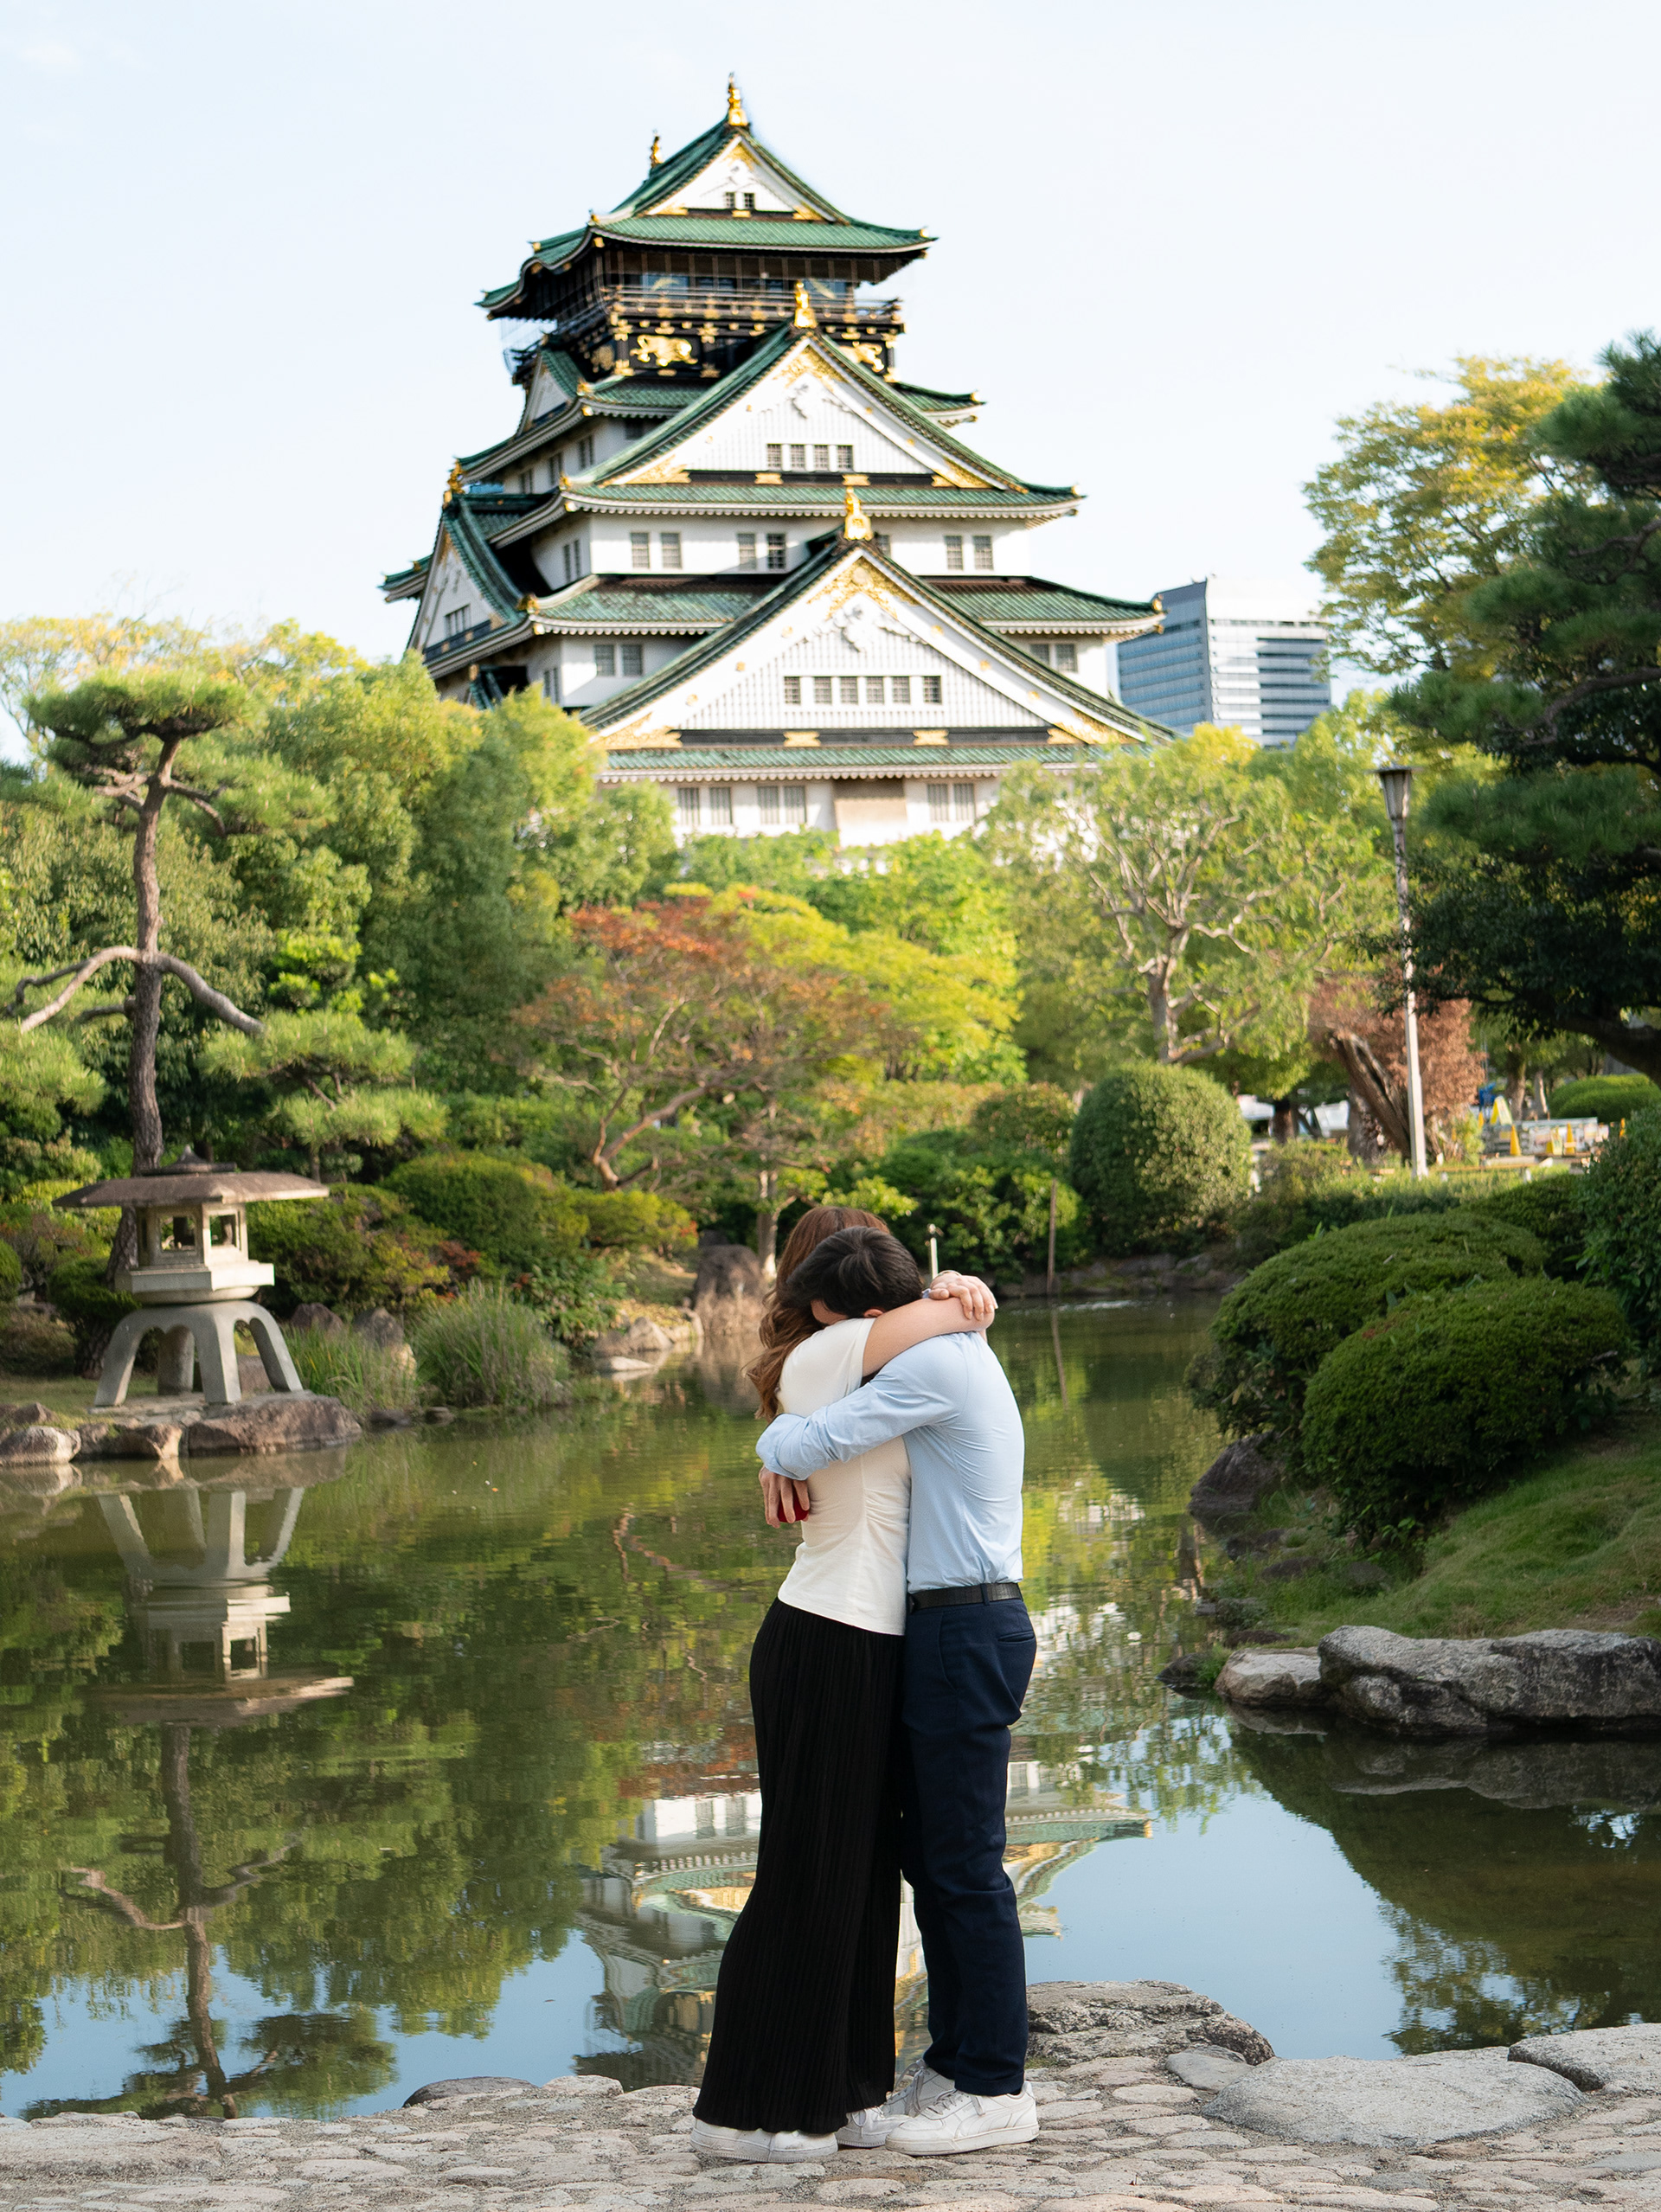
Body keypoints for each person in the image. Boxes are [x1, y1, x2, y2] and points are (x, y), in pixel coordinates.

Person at [689, 1215, 998, 2166]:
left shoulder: (889, 1367)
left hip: (870, 1641)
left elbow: (934, 1329)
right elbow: (939, 1319)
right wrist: (965, 1292)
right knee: (808, 1872)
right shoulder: (832, 1353)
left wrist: (960, 1296)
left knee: (864, 1878)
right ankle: (753, 2109)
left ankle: (847, 2088)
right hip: (827, 1636)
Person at [754, 1314, 1039, 2158]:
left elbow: (813, 1441)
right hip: (943, 1627)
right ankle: (957, 2065)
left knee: (965, 1865)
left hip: (967, 1625)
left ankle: (995, 2086)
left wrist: (772, 1444)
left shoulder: (937, 1366)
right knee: (935, 1862)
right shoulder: (929, 1360)